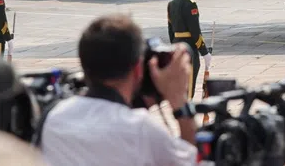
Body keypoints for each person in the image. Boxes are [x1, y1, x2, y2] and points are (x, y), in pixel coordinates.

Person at [39, 13, 198, 166]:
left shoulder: (53, 118)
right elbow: (189, 159)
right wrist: (179, 101)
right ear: (137, 70)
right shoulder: (142, 130)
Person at [167, 0, 210, 99]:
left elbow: (170, 31)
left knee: (179, 85)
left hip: (176, 48)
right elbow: (195, 31)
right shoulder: (190, 4)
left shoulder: (171, 4)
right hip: (189, 49)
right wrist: (205, 52)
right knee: (189, 86)